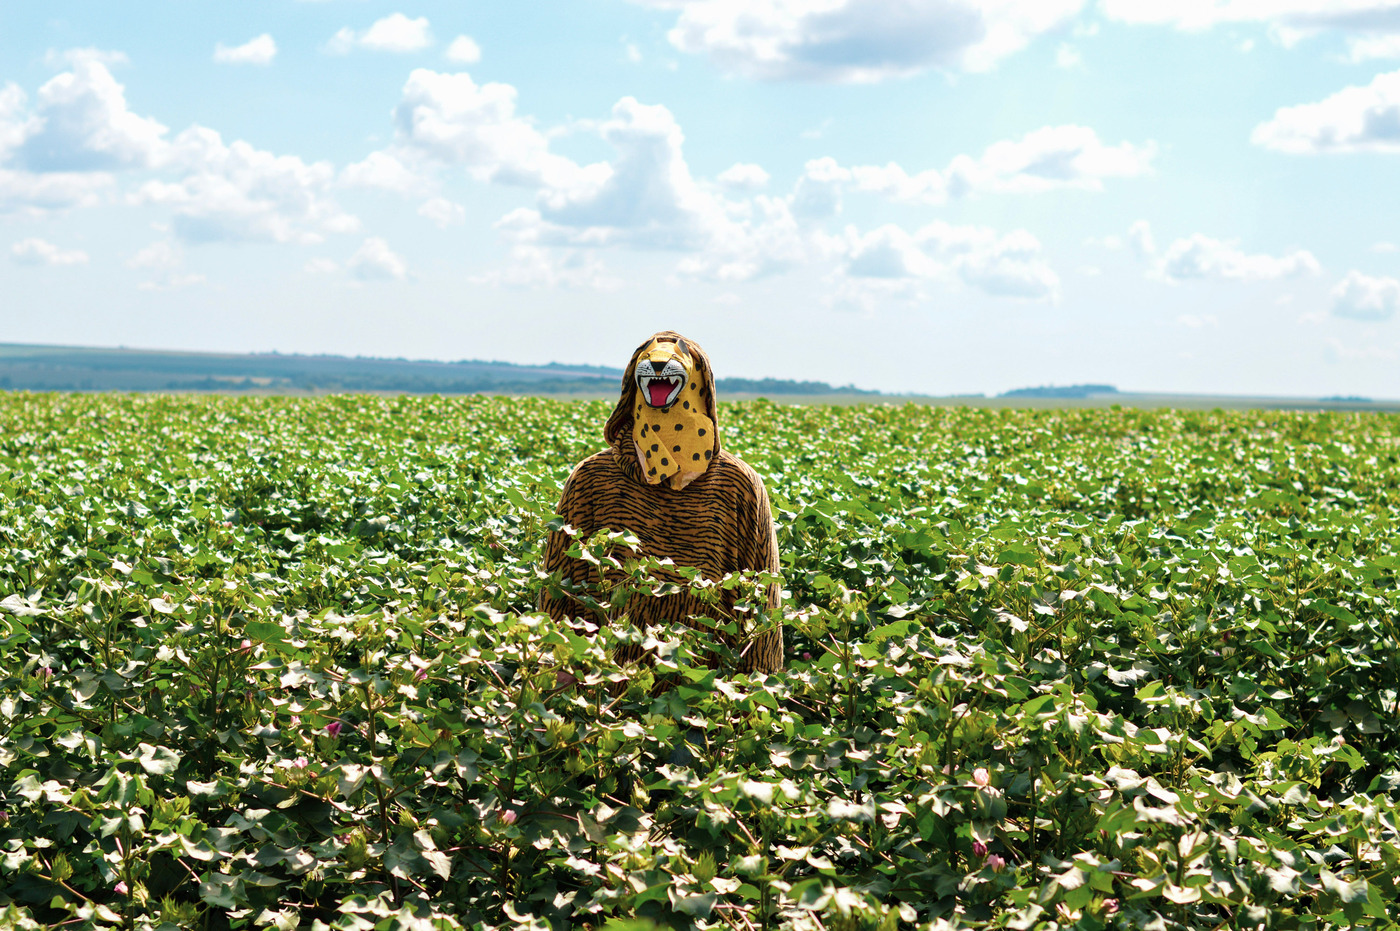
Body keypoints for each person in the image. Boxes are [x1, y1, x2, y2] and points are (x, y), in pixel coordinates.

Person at [539, 330, 784, 674]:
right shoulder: (592, 478)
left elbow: (762, 605)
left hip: (707, 698)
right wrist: (558, 681)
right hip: (603, 697)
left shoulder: (737, 484)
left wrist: (753, 700)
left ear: (700, 387)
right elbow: (559, 591)